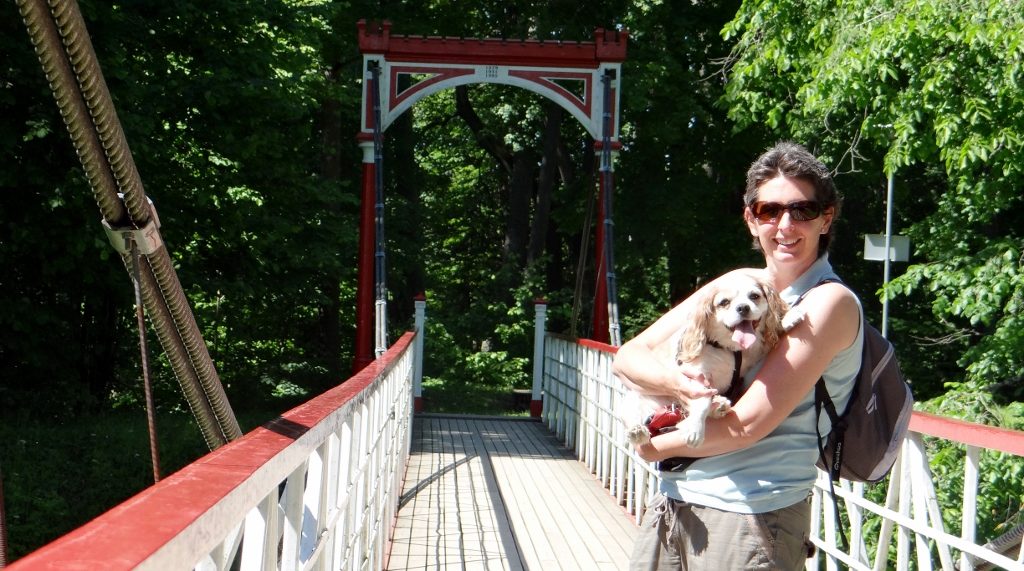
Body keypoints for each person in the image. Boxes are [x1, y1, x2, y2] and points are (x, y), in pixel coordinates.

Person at [612, 141, 864, 570]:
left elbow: (746, 425)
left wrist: (652, 448)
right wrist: (681, 387)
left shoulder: (828, 304)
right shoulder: (737, 286)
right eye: (770, 211)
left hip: (753, 514)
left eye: (802, 210)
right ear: (751, 220)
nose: (785, 225)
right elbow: (629, 356)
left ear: (827, 218)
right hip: (676, 501)